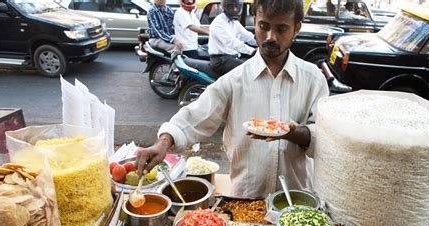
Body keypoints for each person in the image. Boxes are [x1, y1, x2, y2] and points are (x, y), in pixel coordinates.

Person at [136, 0, 329, 198]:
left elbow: (324, 137)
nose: (270, 37)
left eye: (281, 29)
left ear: (296, 28)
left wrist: (293, 133)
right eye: (264, 26)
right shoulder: (233, 81)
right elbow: (196, 116)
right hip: (246, 198)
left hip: (297, 199)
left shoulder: (313, 79)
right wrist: (164, 142)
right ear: (255, 21)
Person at [207, 0, 257, 76]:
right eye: (231, 7)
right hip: (221, 60)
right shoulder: (219, 22)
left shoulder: (234, 22)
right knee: (248, 71)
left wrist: (262, 43)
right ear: (225, 7)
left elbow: (247, 36)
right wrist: (252, 51)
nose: (235, 10)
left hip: (232, 58)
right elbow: (231, 42)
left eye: (237, 6)